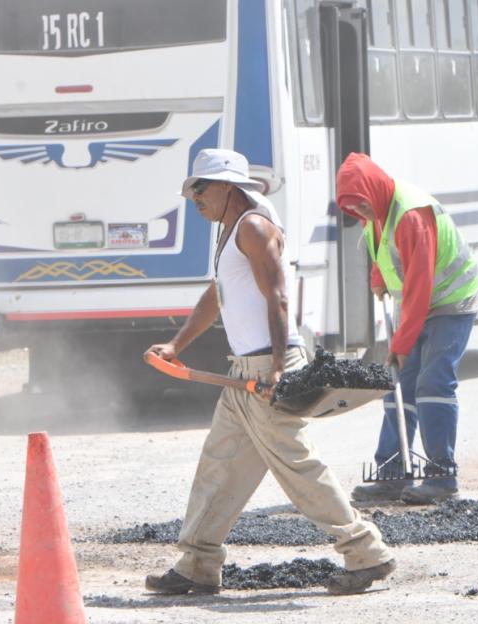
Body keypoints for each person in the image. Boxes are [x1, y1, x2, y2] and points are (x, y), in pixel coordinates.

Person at [144, 149, 396, 596]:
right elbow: (218, 295)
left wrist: (279, 368)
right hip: (244, 370)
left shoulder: (255, 228)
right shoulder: (229, 230)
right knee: (218, 467)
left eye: (200, 189)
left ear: (227, 186)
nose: (195, 198)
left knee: (298, 468)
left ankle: (366, 552)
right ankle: (198, 564)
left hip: (267, 367)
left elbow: (279, 299)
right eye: (192, 190)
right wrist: (176, 345)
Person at [335, 153, 478, 505]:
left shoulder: (411, 215)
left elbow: (419, 284)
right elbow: (382, 249)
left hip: (451, 301)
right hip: (420, 303)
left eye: (364, 208)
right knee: (398, 385)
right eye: (355, 211)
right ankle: (392, 473)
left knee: (433, 382)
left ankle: (441, 476)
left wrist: (401, 343)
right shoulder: (378, 208)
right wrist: (378, 276)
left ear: (373, 189)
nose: (362, 216)